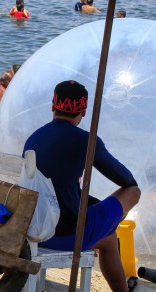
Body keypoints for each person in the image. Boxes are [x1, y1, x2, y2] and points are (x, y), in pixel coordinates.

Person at [24, 80, 140, 292]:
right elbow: (127, 181)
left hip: (31, 228)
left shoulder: (35, 137)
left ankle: (106, 231)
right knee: (134, 192)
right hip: (65, 235)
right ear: (84, 111)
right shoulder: (86, 140)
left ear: (53, 104)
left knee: (108, 238)